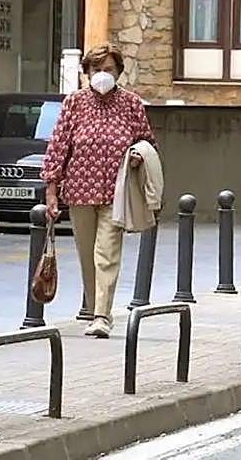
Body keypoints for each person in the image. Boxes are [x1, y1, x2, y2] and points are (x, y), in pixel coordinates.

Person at [42, 42, 157, 338]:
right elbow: (58, 147)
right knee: (86, 255)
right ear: (87, 72)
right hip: (79, 191)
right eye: (96, 69)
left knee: (105, 253)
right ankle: (95, 310)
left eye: (108, 69)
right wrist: (51, 191)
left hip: (116, 193)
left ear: (118, 71)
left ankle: (102, 316)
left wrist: (137, 156)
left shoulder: (131, 104)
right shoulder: (74, 103)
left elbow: (147, 142)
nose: (102, 74)